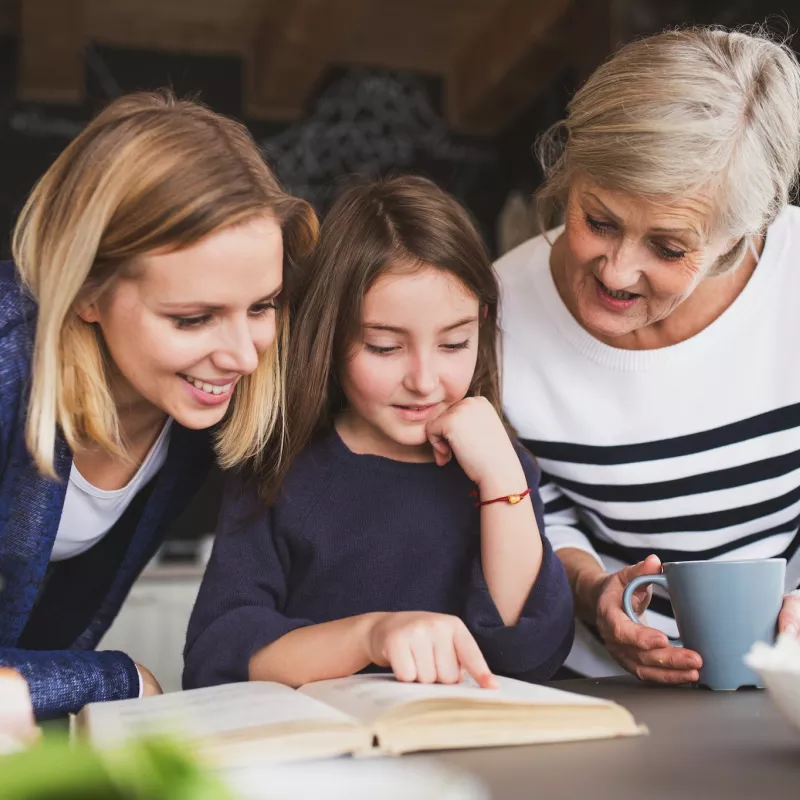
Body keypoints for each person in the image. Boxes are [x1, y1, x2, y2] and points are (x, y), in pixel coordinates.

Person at [183, 176, 574, 690]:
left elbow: (529, 653)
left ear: (481, 324)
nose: (425, 381)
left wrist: (502, 478)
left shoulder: (501, 468)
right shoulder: (280, 471)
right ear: (330, 335)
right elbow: (217, 654)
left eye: (455, 343)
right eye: (384, 348)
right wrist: (371, 636)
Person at [496, 25, 800, 683]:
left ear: (741, 237)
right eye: (599, 220)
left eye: (667, 248)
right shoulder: (492, 317)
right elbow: (534, 508)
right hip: (599, 687)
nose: (617, 271)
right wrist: (593, 592)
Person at [0, 91, 317, 718]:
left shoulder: (199, 400)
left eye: (262, 307)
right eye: (194, 318)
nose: (244, 358)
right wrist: (111, 679)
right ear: (87, 291)